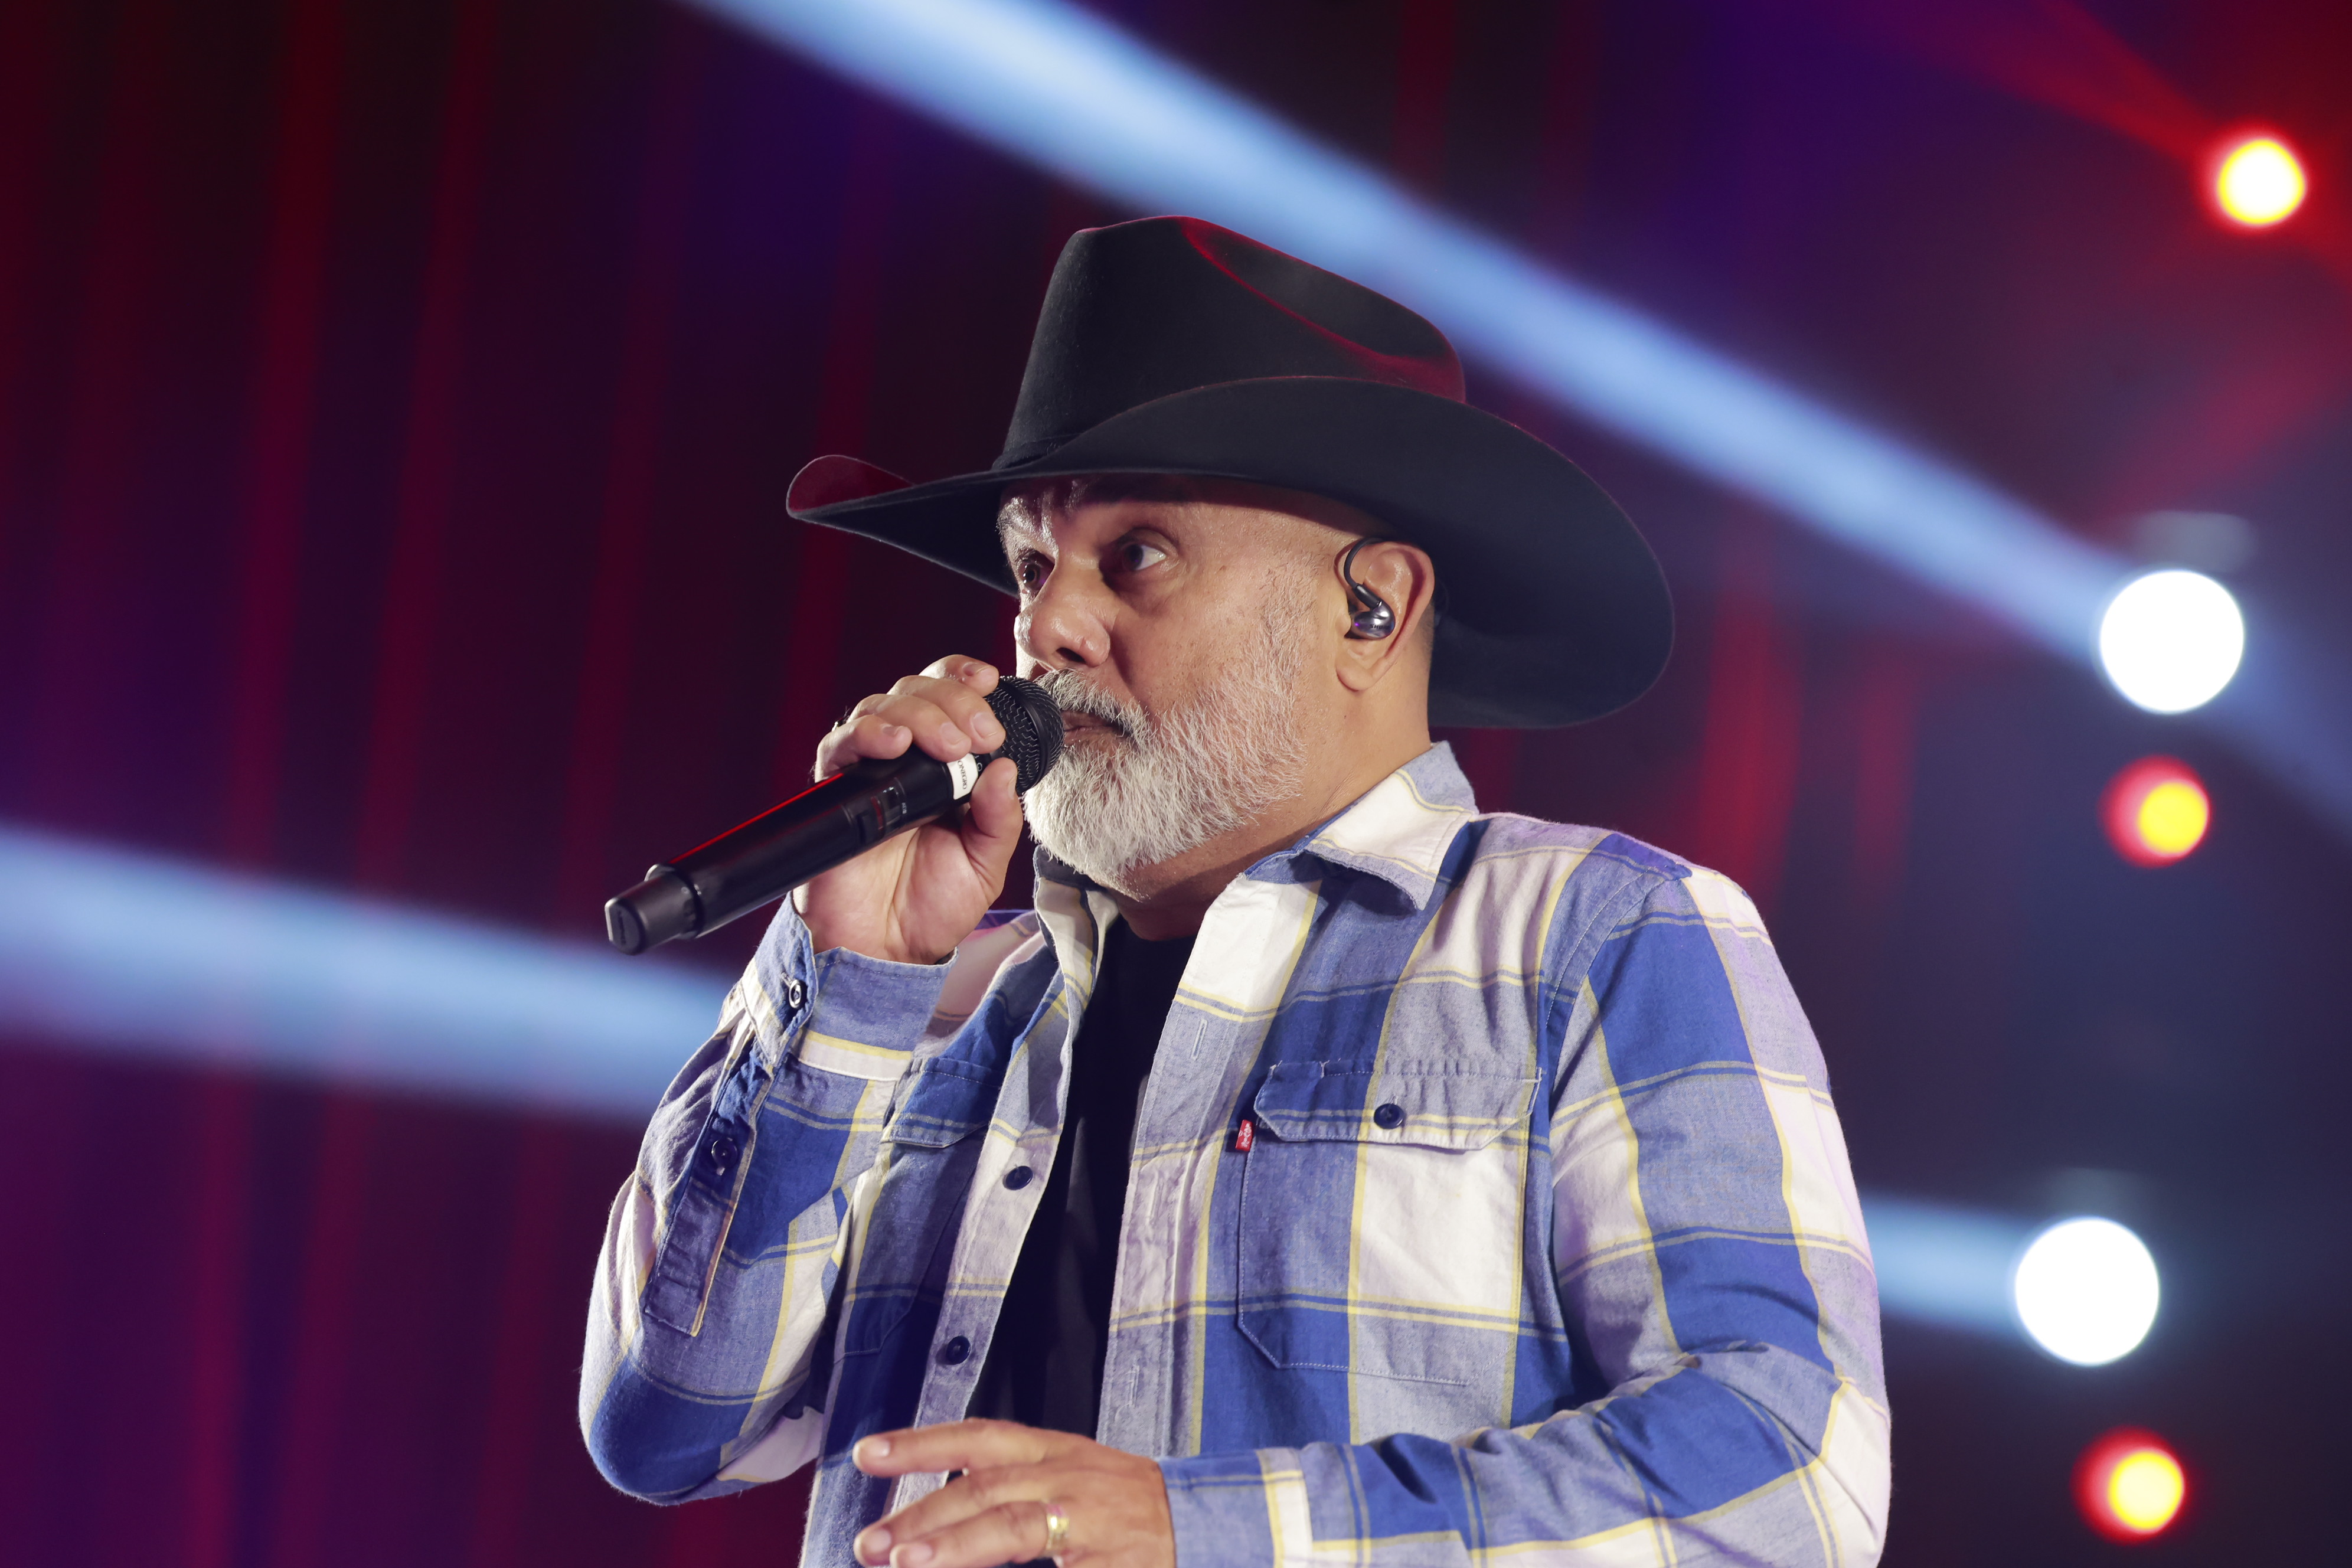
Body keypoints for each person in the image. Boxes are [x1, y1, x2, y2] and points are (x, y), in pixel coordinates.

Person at [580, 216, 1888, 1568]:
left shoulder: (1602, 937)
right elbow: (661, 1426)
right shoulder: (929, 995)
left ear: (1372, 607)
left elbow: (1791, 1471)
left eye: (1137, 553)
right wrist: (841, 978)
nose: (1046, 627)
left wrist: (1200, 1527)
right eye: (1032, 566)